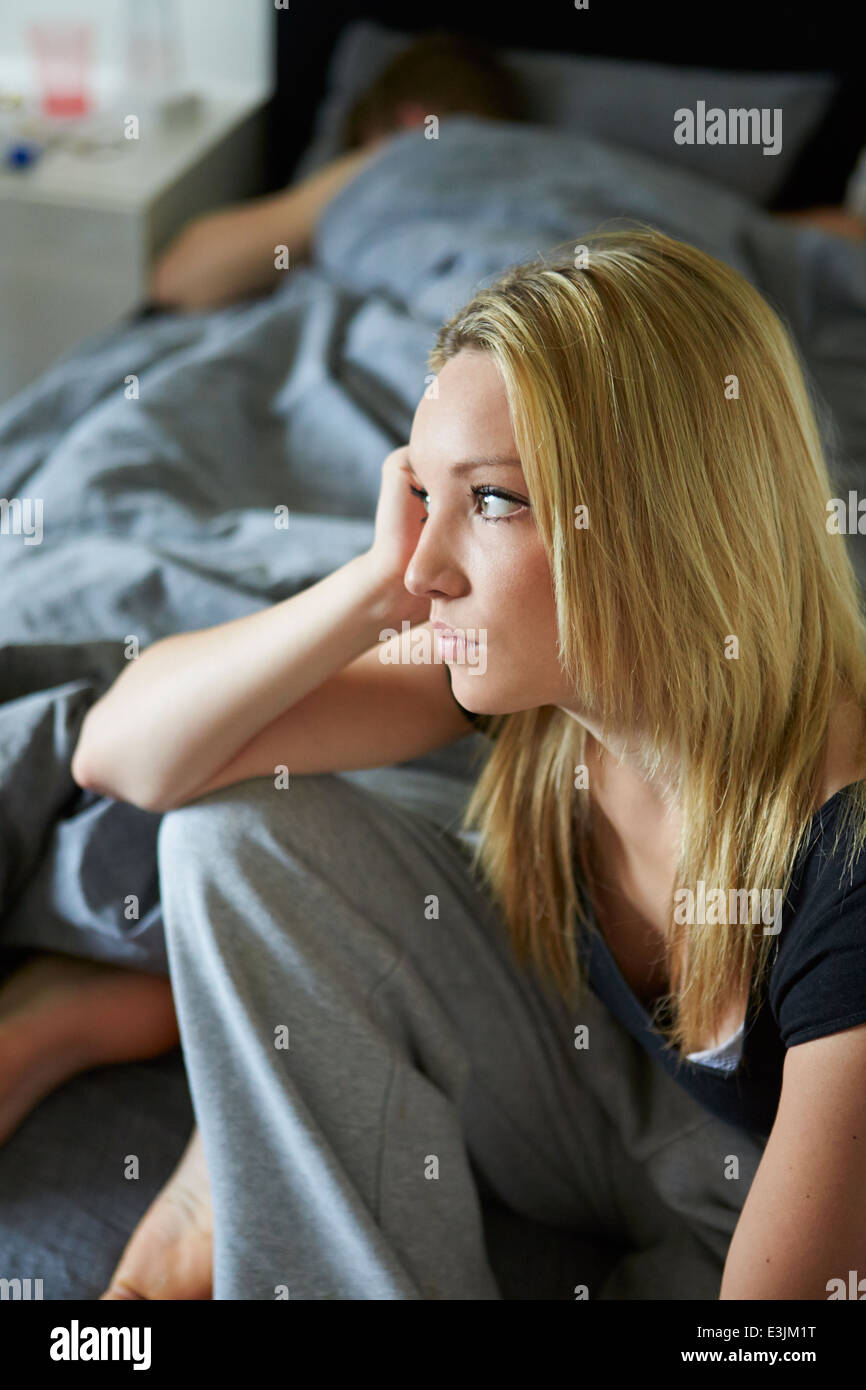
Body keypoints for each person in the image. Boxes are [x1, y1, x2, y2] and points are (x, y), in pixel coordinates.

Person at [4, 223, 860, 1299]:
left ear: (660, 517)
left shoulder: (845, 861)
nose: (427, 565)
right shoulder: (528, 674)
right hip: (584, 1086)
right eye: (422, 496)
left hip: (747, 1193)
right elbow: (124, 753)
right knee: (236, 832)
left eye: (493, 500)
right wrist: (370, 584)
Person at [147, 30, 527, 313]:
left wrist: (363, 165)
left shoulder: (402, 154)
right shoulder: (583, 160)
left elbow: (178, 281)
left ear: (409, 119)